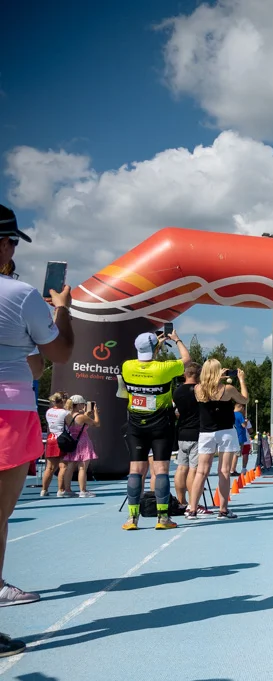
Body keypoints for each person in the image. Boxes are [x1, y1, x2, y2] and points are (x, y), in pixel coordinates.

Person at [0, 204, 74, 655]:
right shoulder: (21, 294)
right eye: (9, 240)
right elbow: (59, 353)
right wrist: (61, 311)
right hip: (8, 410)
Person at [117, 329, 191, 530]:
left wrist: (154, 345)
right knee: (160, 472)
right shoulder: (163, 368)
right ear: (156, 348)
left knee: (136, 471)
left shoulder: (127, 366)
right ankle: (163, 518)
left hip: (135, 425)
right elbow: (187, 359)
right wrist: (176, 339)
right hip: (160, 425)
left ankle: (132, 519)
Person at [187, 360, 247, 520]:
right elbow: (245, 400)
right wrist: (241, 380)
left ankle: (192, 509)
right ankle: (223, 509)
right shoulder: (227, 389)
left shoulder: (198, 389)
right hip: (226, 431)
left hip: (206, 433)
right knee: (224, 471)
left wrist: (215, 378)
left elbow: (208, 388)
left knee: (201, 471)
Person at [173, 362, 203, 510]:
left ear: (185, 374)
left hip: (182, 432)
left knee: (181, 468)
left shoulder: (177, 391)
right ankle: (193, 504)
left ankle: (181, 501)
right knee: (194, 470)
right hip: (196, 433)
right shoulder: (198, 390)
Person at [60, 395, 99, 497]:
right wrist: (95, 412)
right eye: (82, 404)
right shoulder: (82, 417)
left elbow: (77, 423)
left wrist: (86, 414)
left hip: (72, 441)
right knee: (82, 468)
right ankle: (83, 490)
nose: (84, 405)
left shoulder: (67, 416)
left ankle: (67, 489)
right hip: (83, 442)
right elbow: (97, 423)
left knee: (70, 467)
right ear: (78, 405)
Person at [42, 392, 72, 497]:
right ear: (63, 400)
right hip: (61, 439)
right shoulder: (65, 412)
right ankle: (61, 490)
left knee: (49, 467)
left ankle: (44, 490)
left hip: (51, 438)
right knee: (63, 466)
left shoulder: (49, 411)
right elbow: (71, 424)